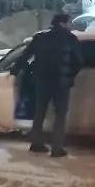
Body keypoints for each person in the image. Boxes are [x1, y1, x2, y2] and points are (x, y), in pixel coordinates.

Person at [14, 13, 82, 158]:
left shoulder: (40, 37)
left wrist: (16, 70)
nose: (71, 25)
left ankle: (36, 143)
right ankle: (57, 148)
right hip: (61, 84)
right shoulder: (70, 39)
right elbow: (78, 61)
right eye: (69, 22)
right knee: (60, 116)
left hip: (42, 82)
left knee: (40, 113)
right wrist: (70, 76)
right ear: (63, 23)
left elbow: (25, 55)